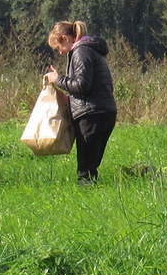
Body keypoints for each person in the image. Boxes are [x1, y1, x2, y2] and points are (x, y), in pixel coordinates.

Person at [43, 20, 116, 184]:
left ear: (65, 38)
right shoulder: (91, 50)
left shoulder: (81, 52)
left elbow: (82, 86)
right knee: (90, 166)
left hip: (91, 114)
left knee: (85, 171)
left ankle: (88, 200)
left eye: (58, 47)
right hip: (103, 111)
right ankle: (92, 196)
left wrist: (58, 79)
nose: (60, 53)